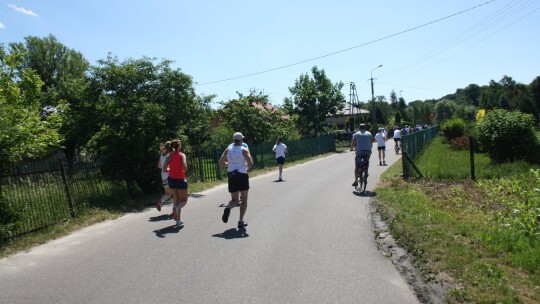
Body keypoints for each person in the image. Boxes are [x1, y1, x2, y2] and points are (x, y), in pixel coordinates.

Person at [219, 132, 254, 229]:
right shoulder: (244, 149)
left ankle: (228, 207)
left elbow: (221, 163)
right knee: (244, 200)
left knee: (235, 200)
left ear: (233, 140)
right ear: (241, 140)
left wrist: (229, 164)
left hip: (232, 175)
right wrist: (246, 167)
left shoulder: (228, 149)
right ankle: (241, 221)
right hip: (242, 175)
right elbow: (251, 163)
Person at [162, 139, 188, 226]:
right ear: (178, 146)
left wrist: (172, 169)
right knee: (184, 200)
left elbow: (164, 169)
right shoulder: (182, 155)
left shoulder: (169, 156)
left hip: (171, 180)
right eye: (180, 145)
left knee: (177, 199)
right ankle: (176, 209)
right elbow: (185, 168)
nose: (181, 146)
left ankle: (178, 220)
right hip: (181, 179)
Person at [156, 141, 173, 212]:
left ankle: (161, 201)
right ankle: (175, 211)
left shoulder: (162, 155)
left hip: (163, 177)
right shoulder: (170, 155)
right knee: (174, 194)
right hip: (170, 176)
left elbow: (159, 166)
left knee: (167, 194)